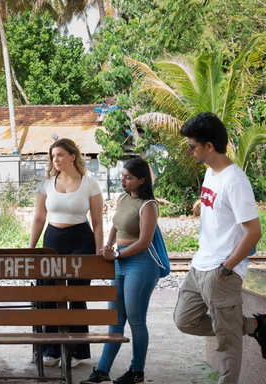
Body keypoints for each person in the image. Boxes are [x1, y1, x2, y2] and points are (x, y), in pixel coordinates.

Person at [173, 112, 266, 384]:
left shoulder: (235, 181)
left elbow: (254, 233)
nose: (190, 151)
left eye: (193, 146)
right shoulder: (211, 173)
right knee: (184, 320)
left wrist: (227, 268)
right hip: (200, 265)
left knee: (226, 343)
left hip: (221, 270)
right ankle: (255, 326)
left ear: (209, 146)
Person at [82, 158, 161, 384]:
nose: (123, 180)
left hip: (141, 264)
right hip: (120, 261)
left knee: (136, 320)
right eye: (122, 176)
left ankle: (137, 371)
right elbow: (116, 225)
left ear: (141, 180)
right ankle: (103, 370)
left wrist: (117, 254)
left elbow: (144, 242)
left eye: (128, 177)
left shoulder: (149, 205)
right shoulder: (122, 198)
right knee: (115, 320)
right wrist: (108, 246)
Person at [29, 138, 104, 368]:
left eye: (60, 155)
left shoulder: (90, 184)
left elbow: (98, 222)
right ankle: (51, 350)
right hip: (52, 240)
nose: (56, 160)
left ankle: (76, 352)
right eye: (53, 156)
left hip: (81, 241)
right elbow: (39, 218)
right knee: (48, 295)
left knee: (76, 297)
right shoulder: (46, 184)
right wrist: (31, 249)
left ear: (73, 156)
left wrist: (99, 252)